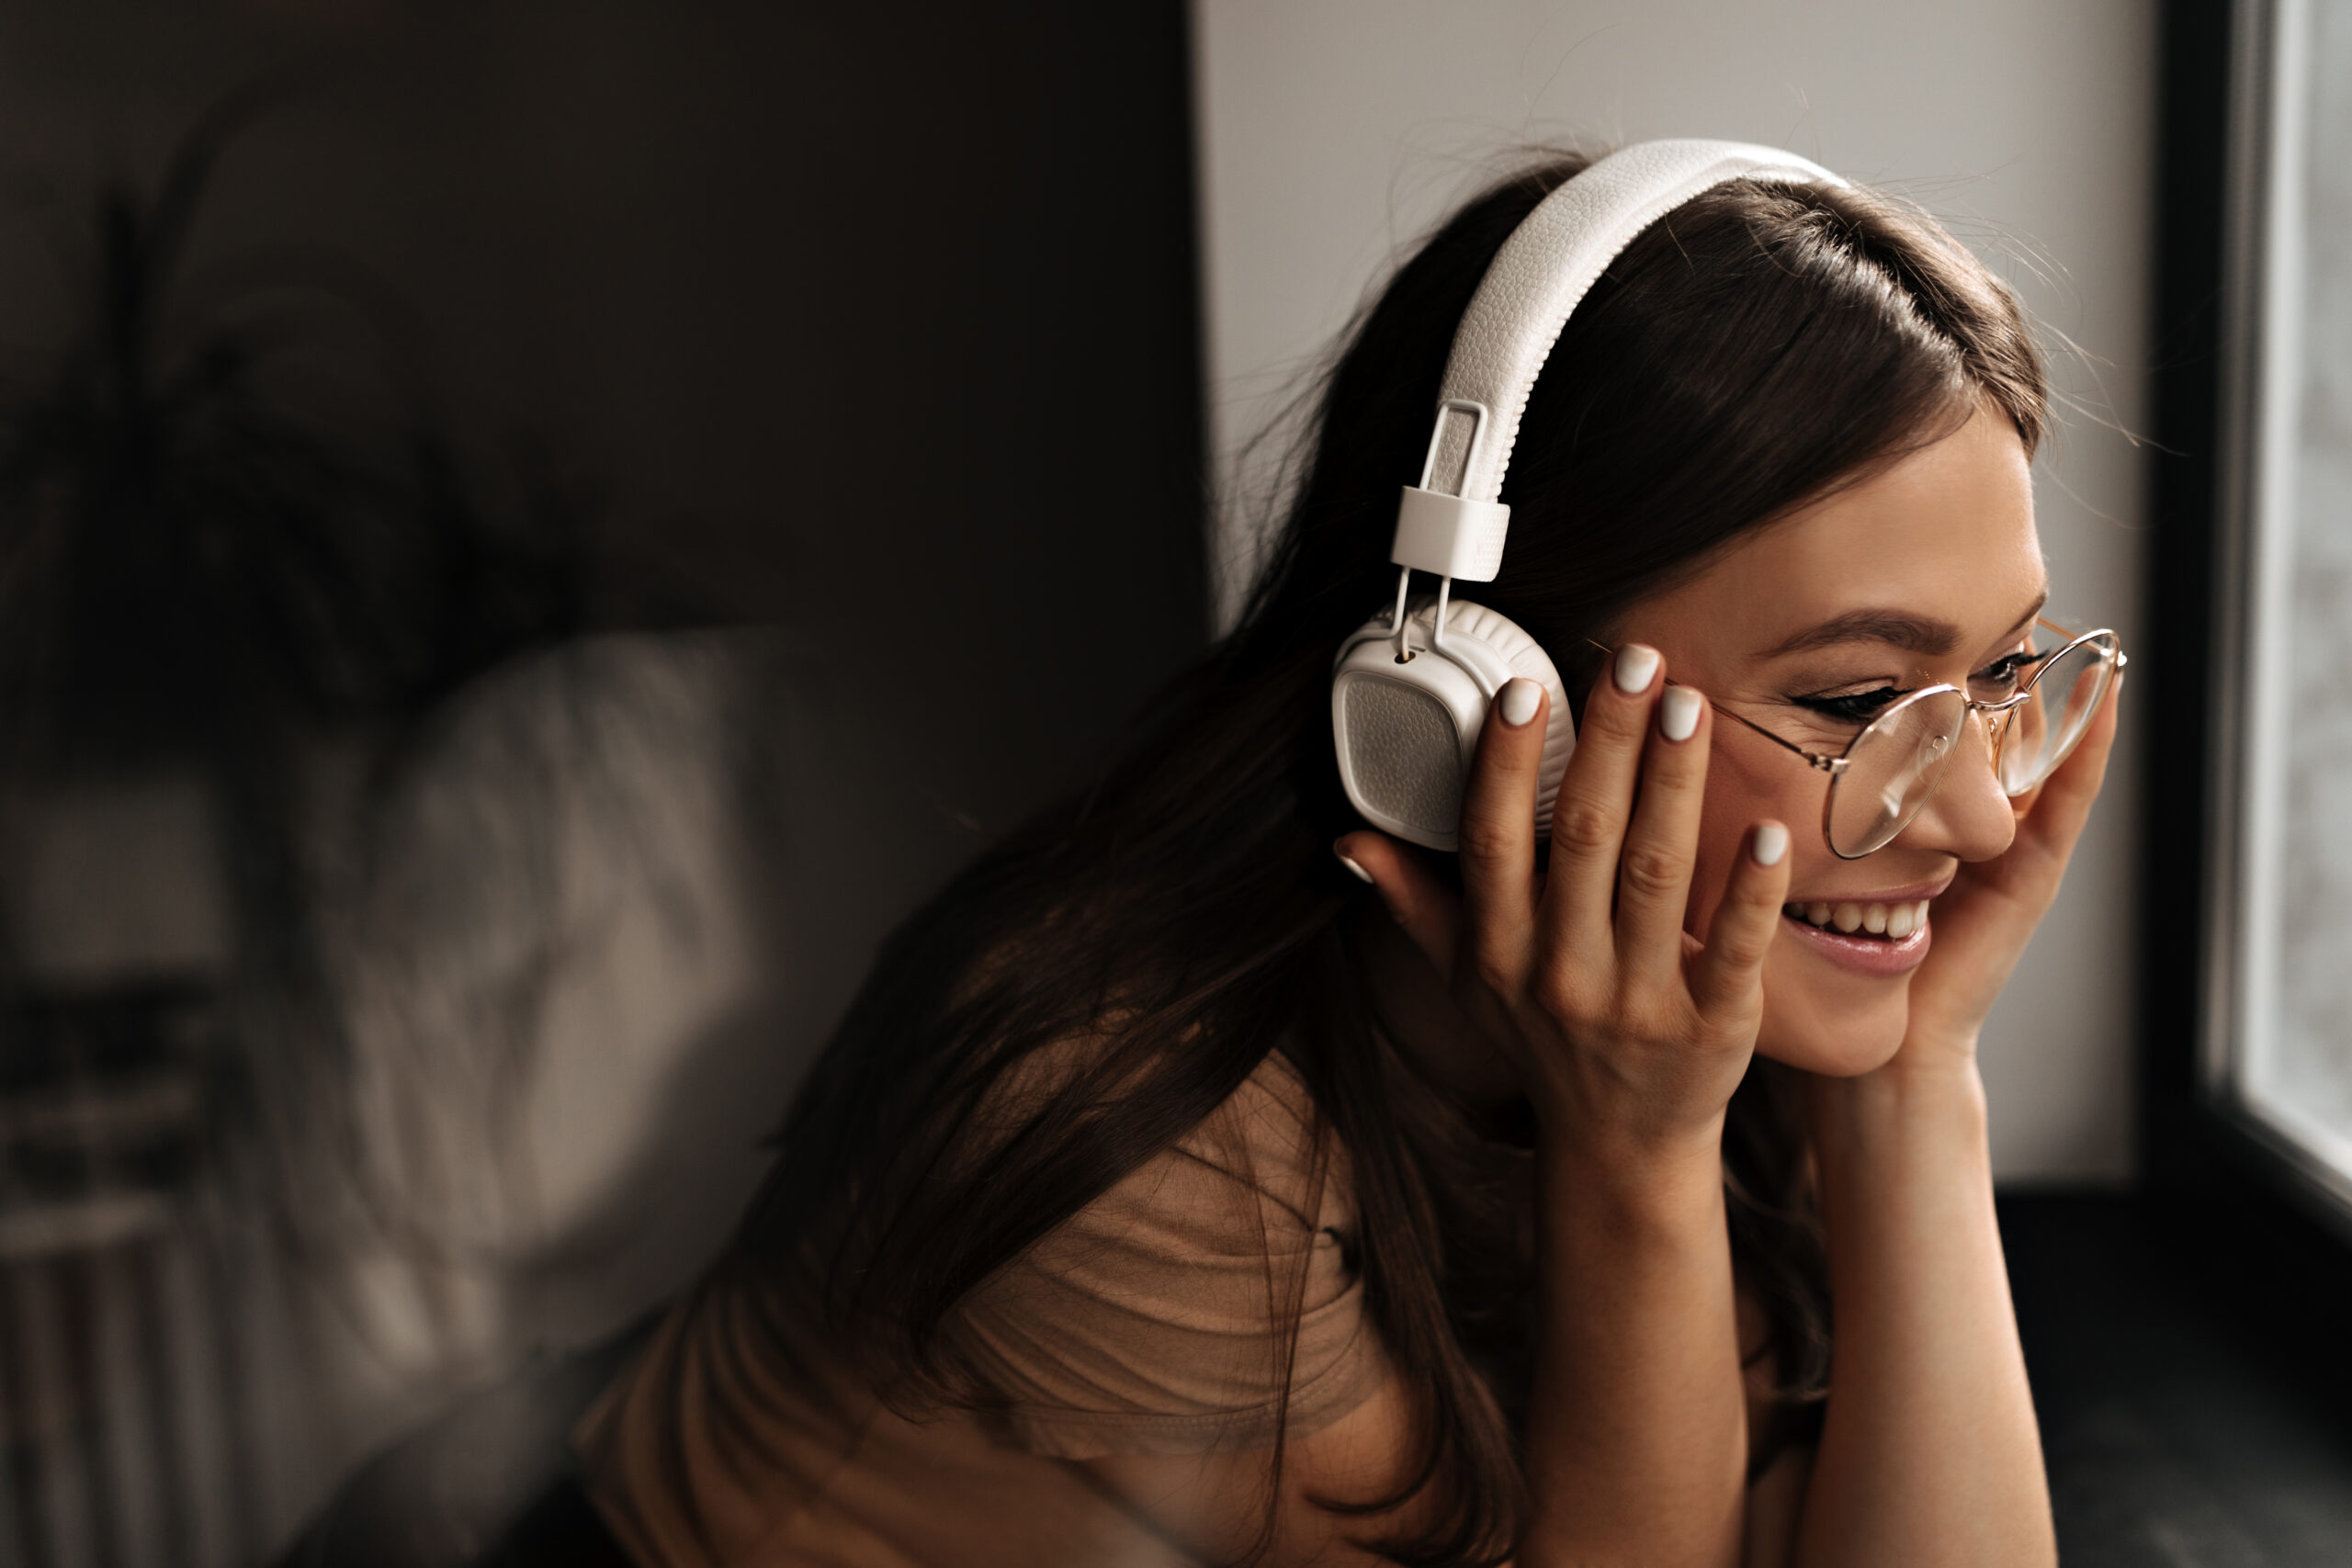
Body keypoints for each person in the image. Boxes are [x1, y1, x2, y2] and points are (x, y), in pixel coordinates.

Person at [567, 144, 2124, 1567]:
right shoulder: (1140, 1110)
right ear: (1480, 704)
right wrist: (1638, 1162)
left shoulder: (1712, 1015)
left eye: (2000, 677)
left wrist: (1918, 1085)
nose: (1985, 817)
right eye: (1861, 699)